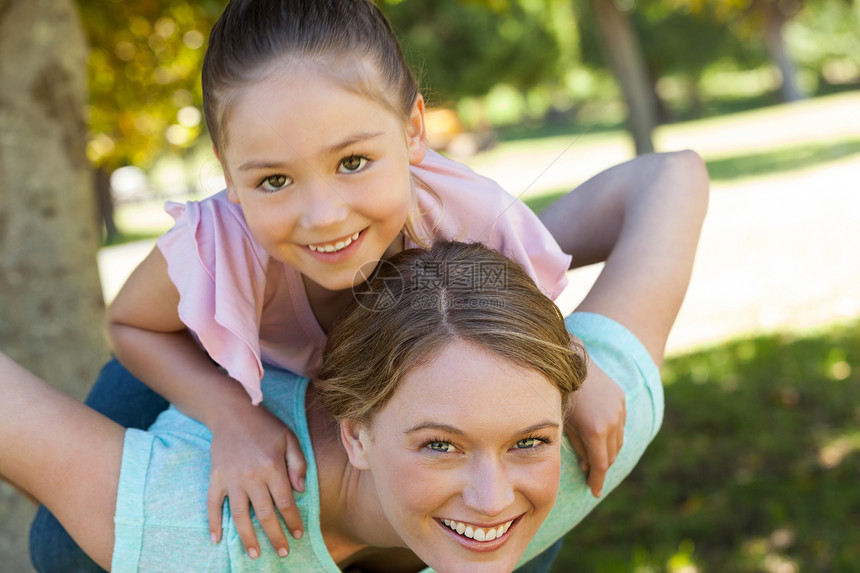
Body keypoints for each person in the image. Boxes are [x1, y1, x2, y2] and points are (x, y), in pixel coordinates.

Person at [29, 0, 707, 569]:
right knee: (62, 544)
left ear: (414, 129)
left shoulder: (467, 216)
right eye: (273, 179)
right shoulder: (219, 244)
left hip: (361, 386)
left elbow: (525, 327)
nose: (323, 214)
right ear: (227, 172)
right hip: (204, 351)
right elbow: (133, 326)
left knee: (505, 514)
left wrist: (575, 366)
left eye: (353, 161)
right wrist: (233, 418)